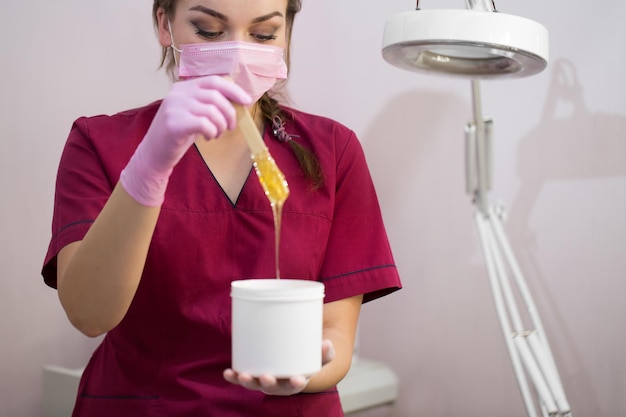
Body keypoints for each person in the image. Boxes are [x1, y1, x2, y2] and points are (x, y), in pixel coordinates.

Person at [42, 0, 402, 416]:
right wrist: (150, 166)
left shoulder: (334, 152)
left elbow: (334, 335)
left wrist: (302, 374)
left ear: (286, 32)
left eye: (263, 34)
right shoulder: (99, 144)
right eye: (210, 31)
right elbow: (89, 314)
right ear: (165, 24)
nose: (237, 53)